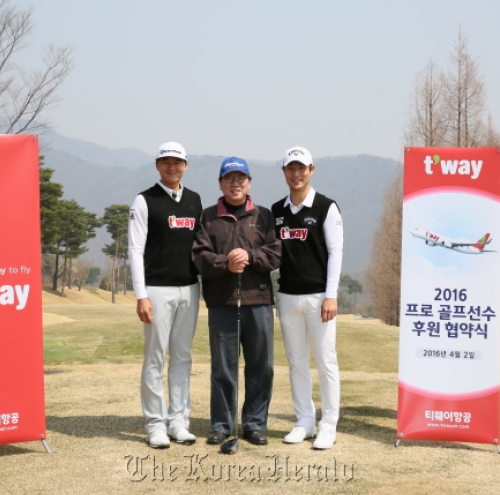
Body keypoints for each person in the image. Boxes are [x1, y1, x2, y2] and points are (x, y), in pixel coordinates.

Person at [192, 157, 281, 447]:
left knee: (261, 366)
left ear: (249, 182)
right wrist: (224, 263)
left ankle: (254, 425)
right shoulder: (207, 217)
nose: (235, 183)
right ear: (220, 183)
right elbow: (199, 257)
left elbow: (275, 253)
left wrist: (251, 256)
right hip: (222, 303)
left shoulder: (265, 216)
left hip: (259, 302)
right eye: (229, 178)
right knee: (223, 368)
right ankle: (222, 424)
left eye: (241, 178)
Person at [128, 141, 202, 449]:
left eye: (178, 162)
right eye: (166, 162)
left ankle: (178, 421)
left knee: (182, 357)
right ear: (158, 165)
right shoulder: (144, 200)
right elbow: (135, 249)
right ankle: (155, 424)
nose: (172, 167)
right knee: (155, 358)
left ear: (186, 165)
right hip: (157, 289)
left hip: (190, 287)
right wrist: (141, 295)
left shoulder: (195, 200)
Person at [271, 146, 343, 450]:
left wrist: (331, 295)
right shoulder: (276, 211)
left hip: (318, 298)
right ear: (284, 172)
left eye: (302, 168)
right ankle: (304, 421)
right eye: (291, 168)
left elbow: (336, 251)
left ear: (311, 170)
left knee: (326, 362)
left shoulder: (326, 207)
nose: (296, 174)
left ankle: (328, 425)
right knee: (297, 363)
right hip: (287, 297)